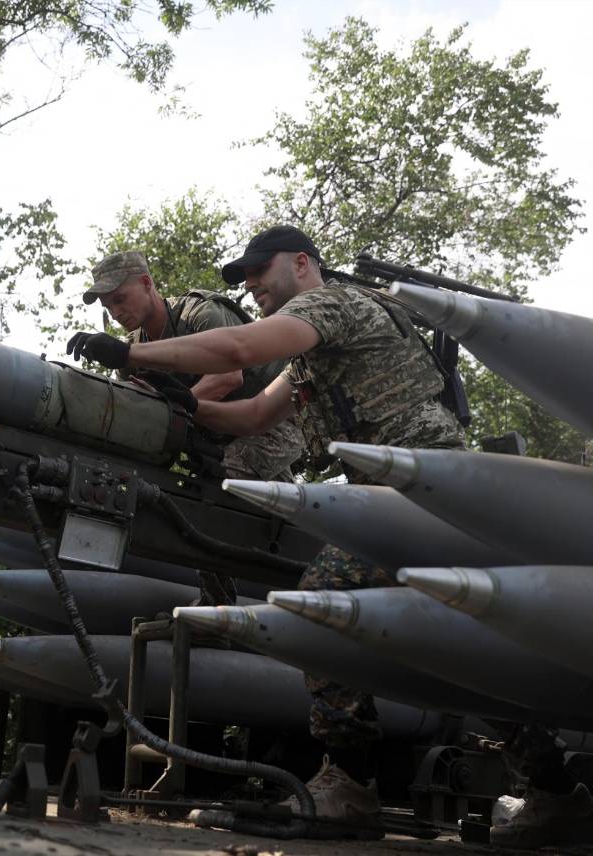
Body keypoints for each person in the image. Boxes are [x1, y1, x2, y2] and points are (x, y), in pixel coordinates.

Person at [66, 225, 591, 845]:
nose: (252, 286)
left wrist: (131, 358)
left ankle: (349, 784)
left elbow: (237, 347)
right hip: (400, 501)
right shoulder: (313, 352)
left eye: (260, 272)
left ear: (303, 264)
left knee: (322, 604)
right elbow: (254, 415)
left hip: (425, 497)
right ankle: (556, 793)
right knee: (459, 656)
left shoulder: (333, 304)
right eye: (245, 278)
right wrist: (187, 402)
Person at [82, 250, 303, 607]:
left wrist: (169, 413)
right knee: (283, 518)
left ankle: (217, 605)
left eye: (120, 299)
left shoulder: (200, 313)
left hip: (275, 421)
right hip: (218, 439)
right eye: (108, 307)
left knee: (212, 493)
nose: (116, 312)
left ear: (147, 283)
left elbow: (229, 377)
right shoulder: (134, 351)